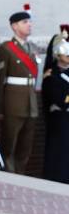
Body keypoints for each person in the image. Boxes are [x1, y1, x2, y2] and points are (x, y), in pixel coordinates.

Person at [0, 5, 41, 174]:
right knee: (9, 146)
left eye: (30, 22)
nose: (29, 25)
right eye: (25, 22)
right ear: (14, 26)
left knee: (25, 148)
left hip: (30, 105)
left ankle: (21, 177)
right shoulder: (6, 49)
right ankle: (8, 177)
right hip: (13, 104)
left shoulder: (32, 49)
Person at [42, 38, 69, 183]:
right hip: (60, 119)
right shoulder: (52, 75)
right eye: (67, 55)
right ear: (59, 55)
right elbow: (58, 99)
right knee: (60, 151)